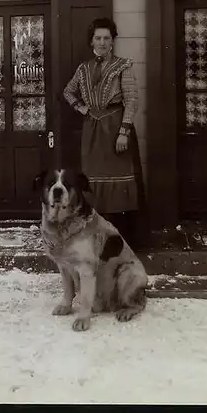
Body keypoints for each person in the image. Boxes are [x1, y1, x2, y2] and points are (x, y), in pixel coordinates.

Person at [63, 17, 145, 248]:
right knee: (93, 181)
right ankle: (95, 239)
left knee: (119, 181)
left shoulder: (123, 66)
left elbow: (132, 100)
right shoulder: (83, 69)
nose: (102, 42)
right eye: (98, 38)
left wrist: (124, 132)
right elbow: (68, 92)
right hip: (92, 131)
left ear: (112, 41)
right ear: (91, 41)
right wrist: (83, 108)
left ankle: (122, 241)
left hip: (115, 129)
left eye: (106, 38)